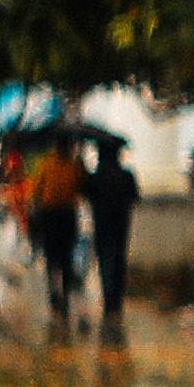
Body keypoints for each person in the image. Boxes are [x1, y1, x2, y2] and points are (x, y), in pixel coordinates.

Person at [17, 140, 86, 326]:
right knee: (59, 260)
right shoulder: (58, 165)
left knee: (58, 260)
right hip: (58, 216)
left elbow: (36, 192)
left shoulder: (56, 165)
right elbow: (36, 192)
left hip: (58, 216)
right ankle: (58, 298)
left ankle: (58, 298)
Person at [83, 142, 142, 339]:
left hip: (101, 225)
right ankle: (115, 304)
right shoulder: (126, 175)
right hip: (121, 225)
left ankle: (110, 304)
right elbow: (135, 197)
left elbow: (85, 194)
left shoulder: (96, 177)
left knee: (105, 262)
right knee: (118, 261)